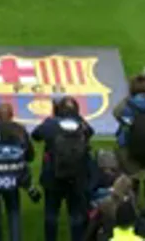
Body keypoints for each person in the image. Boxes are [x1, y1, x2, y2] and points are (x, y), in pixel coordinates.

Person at [36, 98, 95, 241]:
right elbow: (90, 132)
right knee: (76, 215)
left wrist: (52, 118)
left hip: (52, 177)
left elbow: (36, 135)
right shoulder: (81, 125)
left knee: (51, 215)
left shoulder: (51, 125)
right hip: (76, 177)